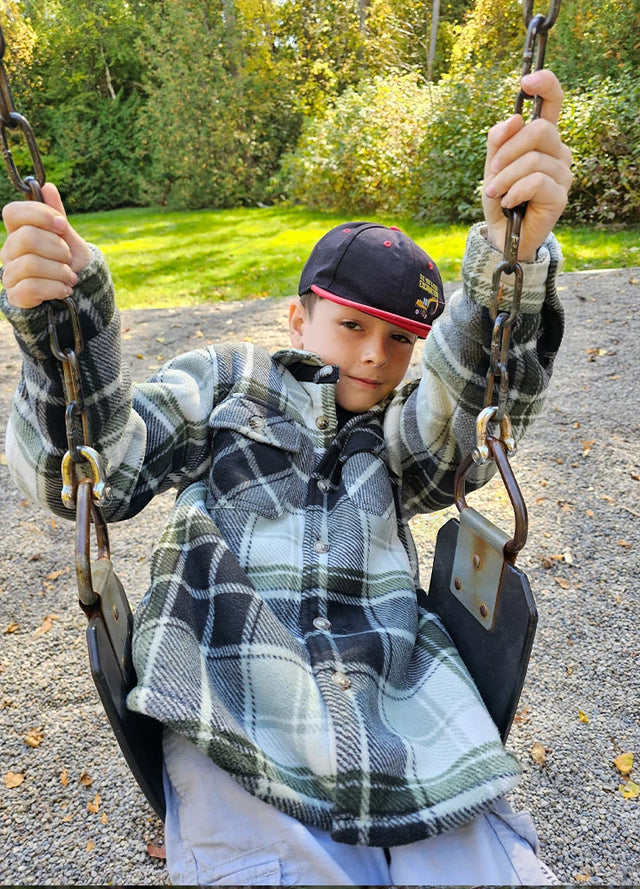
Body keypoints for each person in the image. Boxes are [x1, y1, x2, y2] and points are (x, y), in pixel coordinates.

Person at [1, 69, 572, 885]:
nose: (376, 354)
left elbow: (464, 415)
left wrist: (511, 259)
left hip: (395, 702)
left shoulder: (397, 433)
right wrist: (71, 320)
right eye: (353, 326)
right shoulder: (226, 383)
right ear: (300, 317)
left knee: (485, 867)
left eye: (403, 338)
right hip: (228, 689)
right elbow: (99, 472)